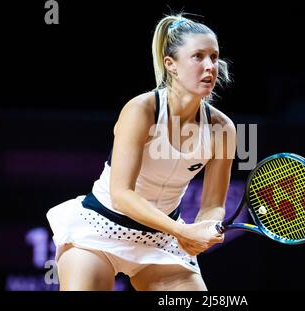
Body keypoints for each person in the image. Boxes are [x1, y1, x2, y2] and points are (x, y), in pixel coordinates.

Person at [46, 13, 236, 291]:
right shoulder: (141, 110)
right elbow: (122, 194)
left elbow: (213, 203)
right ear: (171, 65)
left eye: (214, 57)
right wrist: (182, 230)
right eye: (198, 56)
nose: (209, 66)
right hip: (100, 228)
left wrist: (206, 227)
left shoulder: (223, 128)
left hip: (161, 241)